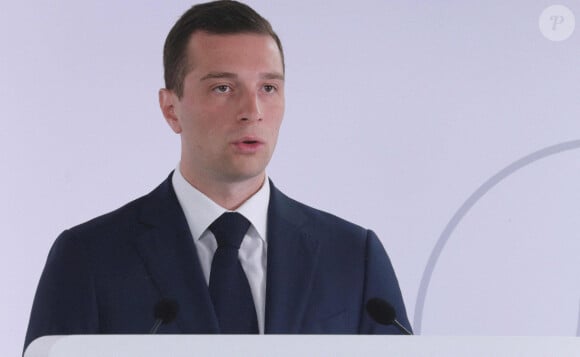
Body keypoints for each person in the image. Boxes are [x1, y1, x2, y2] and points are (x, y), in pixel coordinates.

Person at [24, 0, 411, 350]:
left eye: (269, 87)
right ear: (170, 108)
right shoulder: (89, 258)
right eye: (223, 87)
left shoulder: (352, 257)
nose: (252, 110)